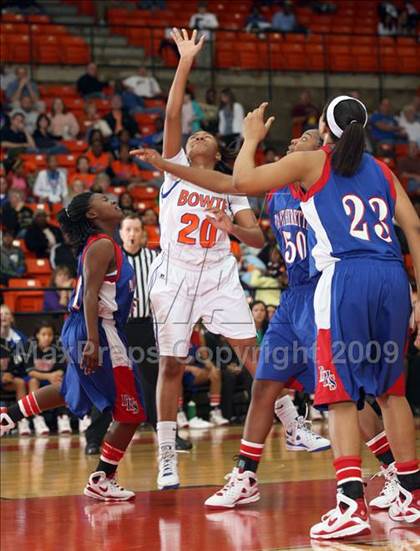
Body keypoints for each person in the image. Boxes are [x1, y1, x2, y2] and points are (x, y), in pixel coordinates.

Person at [142, 123, 407, 514]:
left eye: (305, 139)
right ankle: (246, 475)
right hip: (293, 296)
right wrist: (170, 168)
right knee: (265, 381)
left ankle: (392, 470)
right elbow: (226, 183)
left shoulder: (325, 181)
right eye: (293, 137)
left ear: (323, 155)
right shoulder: (276, 186)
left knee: (342, 392)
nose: (294, 141)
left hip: (326, 291)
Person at [222, 97, 420, 536]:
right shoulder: (382, 170)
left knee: (340, 395)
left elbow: (242, 181)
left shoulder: (314, 161)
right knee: (393, 393)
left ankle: (350, 503)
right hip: (392, 277)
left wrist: (252, 138)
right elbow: (414, 228)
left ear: (324, 129)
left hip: (345, 277)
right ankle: (412, 493)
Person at [130, 29, 266, 491]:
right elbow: (172, 111)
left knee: (251, 352)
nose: (197, 132)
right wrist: (185, 59)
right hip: (176, 273)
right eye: (193, 133)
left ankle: (293, 419)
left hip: (218, 270)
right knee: (170, 363)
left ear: (215, 152)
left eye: (205, 132)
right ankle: (168, 455)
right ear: (186, 151)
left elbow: (257, 238)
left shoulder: (230, 185)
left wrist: (230, 228)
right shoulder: (174, 170)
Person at [0, 192, 146, 501]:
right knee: (131, 411)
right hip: (98, 331)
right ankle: (102, 478)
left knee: (69, 390)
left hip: (91, 328)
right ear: (93, 215)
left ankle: (7, 416)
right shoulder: (103, 245)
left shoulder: (103, 245)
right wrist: (93, 342)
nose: (114, 200)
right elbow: (91, 295)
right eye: (104, 199)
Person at [25, 321, 72, 436]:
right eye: (43, 334)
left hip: (53, 378)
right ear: (37, 335)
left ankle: (63, 416)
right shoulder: (29, 347)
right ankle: (38, 418)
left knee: (61, 381)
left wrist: (55, 375)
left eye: (50, 335)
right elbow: (30, 371)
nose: (47, 338)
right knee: (33, 382)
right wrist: (49, 376)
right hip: (38, 378)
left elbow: (62, 368)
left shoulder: (57, 347)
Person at [0, 339, 28, 435]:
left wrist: (10, 374)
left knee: (20, 383)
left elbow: (21, 368)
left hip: (8, 381)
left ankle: (22, 420)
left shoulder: (14, 344)